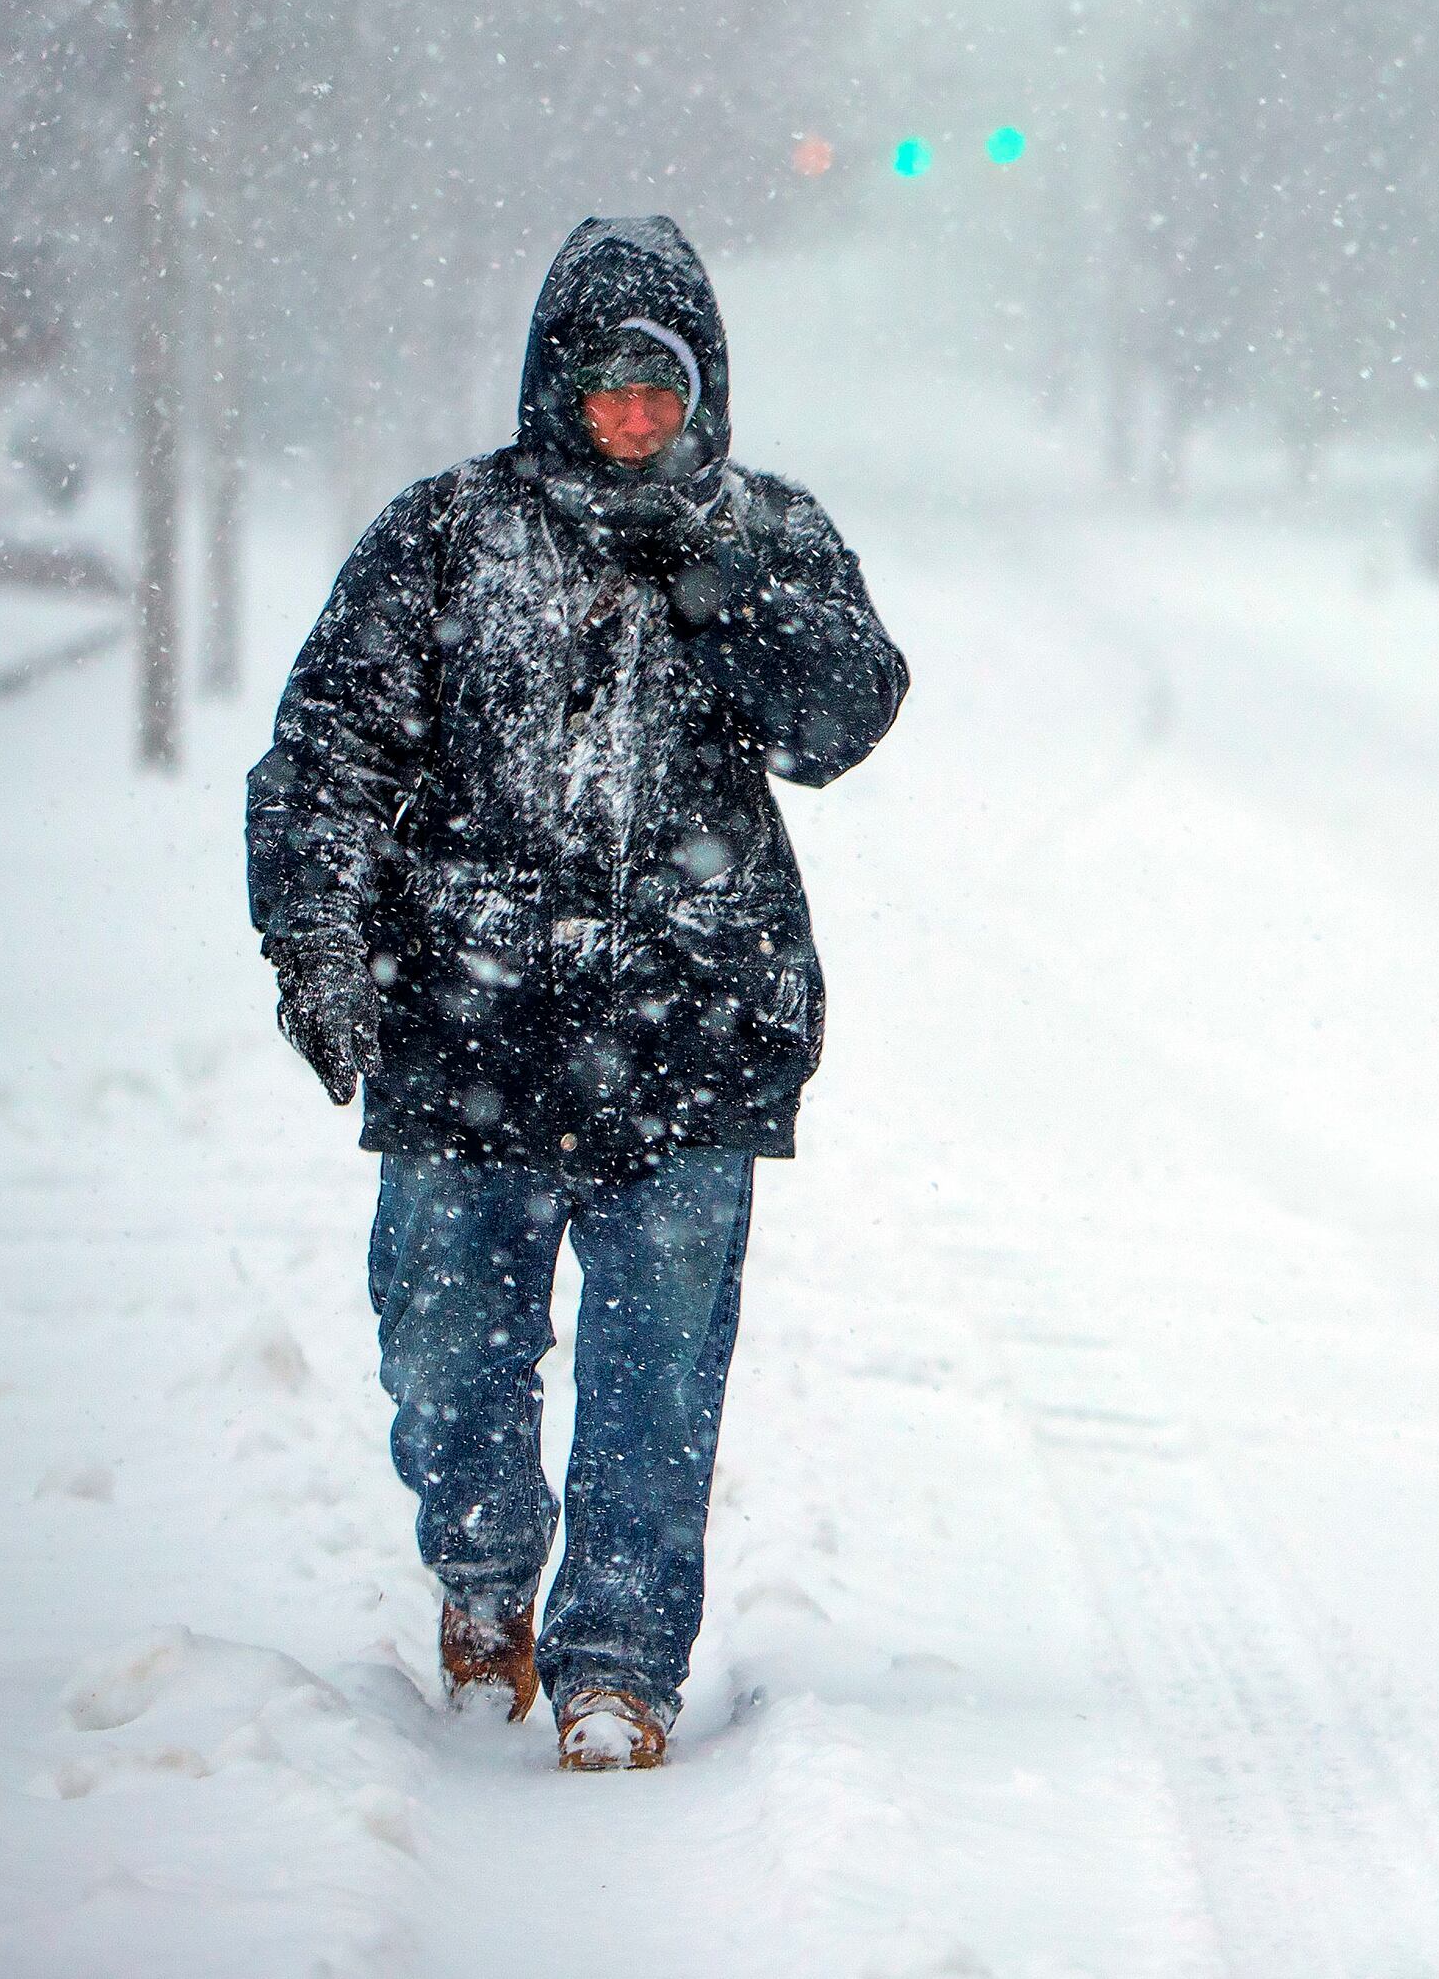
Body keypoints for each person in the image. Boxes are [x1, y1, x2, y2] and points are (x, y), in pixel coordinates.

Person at [247, 213, 907, 1772]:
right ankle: (485, 1586)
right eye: (602, 386)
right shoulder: (442, 538)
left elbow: (845, 711)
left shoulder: (767, 533)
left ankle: (618, 1665)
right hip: (463, 1024)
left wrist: (720, 579)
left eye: (658, 389)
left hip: (690, 1032)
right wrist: (321, 944)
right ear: (553, 384)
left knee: (655, 1375)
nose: (629, 419)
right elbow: (328, 750)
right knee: (444, 1344)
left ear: (702, 391)